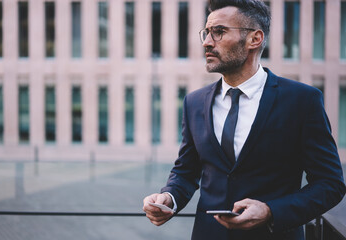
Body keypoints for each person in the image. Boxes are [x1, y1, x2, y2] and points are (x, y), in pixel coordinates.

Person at [143, 0, 346, 239]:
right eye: (206, 33)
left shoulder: (302, 100)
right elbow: (186, 172)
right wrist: (170, 197)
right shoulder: (194, 102)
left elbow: (330, 183)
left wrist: (271, 211)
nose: (207, 42)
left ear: (255, 39)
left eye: (219, 32)